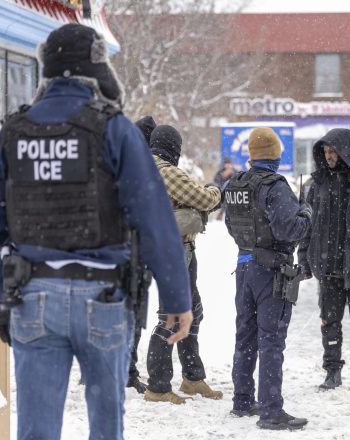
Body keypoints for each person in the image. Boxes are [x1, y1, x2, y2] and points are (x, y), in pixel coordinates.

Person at [0, 24, 193, 440]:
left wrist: (1, 301)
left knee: (36, 431)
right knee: (106, 427)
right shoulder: (115, 129)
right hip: (104, 298)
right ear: (95, 69)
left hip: (33, 296)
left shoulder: (13, 133)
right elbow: (155, 219)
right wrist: (177, 299)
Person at [225, 127, 311, 431]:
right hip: (271, 272)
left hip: (244, 267)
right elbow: (290, 229)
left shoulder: (235, 183)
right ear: (275, 154)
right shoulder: (276, 186)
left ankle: (243, 399)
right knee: (271, 340)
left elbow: (231, 227)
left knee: (245, 336)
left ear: (251, 154)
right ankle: (272, 410)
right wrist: (306, 213)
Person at [144, 124, 223, 404]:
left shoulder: (140, 167)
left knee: (193, 310)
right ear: (172, 147)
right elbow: (203, 198)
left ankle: (192, 377)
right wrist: (215, 190)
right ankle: (158, 385)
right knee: (172, 315)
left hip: (161, 247)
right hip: (176, 250)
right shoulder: (165, 171)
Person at [298, 129, 350, 391]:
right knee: (329, 322)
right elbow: (307, 224)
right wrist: (304, 259)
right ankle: (332, 371)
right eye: (326, 152)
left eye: (334, 151)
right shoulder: (317, 183)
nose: (330, 156)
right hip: (327, 266)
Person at [124, 115, 158, 394]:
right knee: (134, 314)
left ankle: (109, 369)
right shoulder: (142, 168)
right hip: (134, 253)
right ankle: (128, 370)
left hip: (117, 254)